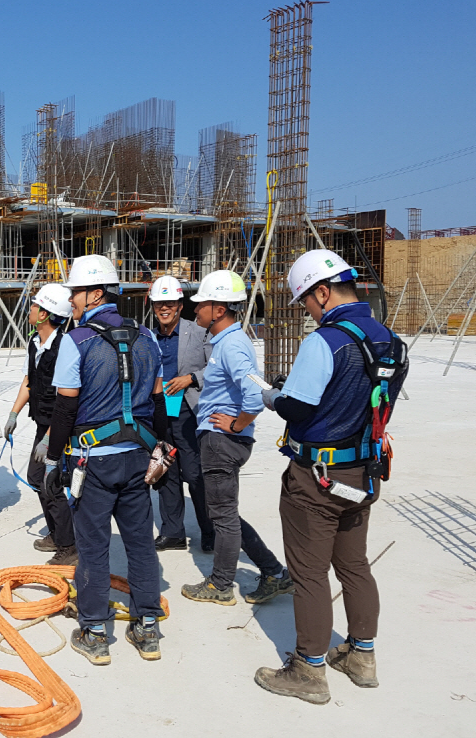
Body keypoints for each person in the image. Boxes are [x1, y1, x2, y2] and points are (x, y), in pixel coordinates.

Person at [254, 250, 408, 704]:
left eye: (306, 301)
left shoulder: (326, 341)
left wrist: (271, 396)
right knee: (354, 565)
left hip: (315, 477)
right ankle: (362, 657)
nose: (307, 310)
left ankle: (308, 668)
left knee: (309, 573)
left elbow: (298, 406)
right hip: (362, 471)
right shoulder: (392, 342)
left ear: (323, 292)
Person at [43, 254, 169, 665]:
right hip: (137, 457)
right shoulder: (147, 338)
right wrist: (162, 446)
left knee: (94, 546)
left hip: (93, 461)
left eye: (76, 293)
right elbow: (158, 400)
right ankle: (147, 626)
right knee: (139, 543)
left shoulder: (76, 341)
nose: (72, 302)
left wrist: (53, 459)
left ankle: (94, 632)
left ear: (96, 293)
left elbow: (64, 409)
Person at [180, 270, 293, 607]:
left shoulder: (231, 345)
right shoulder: (227, 342)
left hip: (222, 441)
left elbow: (254, 392)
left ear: (219, 310)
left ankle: (220, 585)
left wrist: (235, 425)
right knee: (226, 513)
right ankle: (273, 572)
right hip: (222, 439)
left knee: (223, 517)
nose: (195, 309)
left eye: (202, 304)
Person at [2, 283, 77, 565]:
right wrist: (13, 414)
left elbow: (65, 399)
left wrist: (49, 438)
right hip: (43, 423)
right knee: (37, 478)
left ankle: (69, 546)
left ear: (45, 314)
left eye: (34, 306)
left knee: (50, 480)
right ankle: (58, 534)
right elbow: (29, 381)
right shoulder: (35, 342)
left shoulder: (63, 347)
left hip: (58, 428)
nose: (30, 310)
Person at [148, 275, 216, 552]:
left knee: (195, 474)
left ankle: (210, 530)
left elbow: (218, 367)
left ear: (179, 305)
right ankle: (173, 532)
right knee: (165, 472)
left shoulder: (199, 331)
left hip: (189, 413)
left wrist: (191, 378)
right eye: (159, 304)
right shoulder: (147, 336)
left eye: (170, 303)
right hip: (158, 414)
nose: (164, 308)